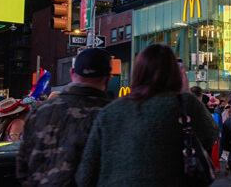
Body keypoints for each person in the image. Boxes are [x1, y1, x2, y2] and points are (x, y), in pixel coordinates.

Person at [75, 44, 219, 187]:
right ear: (175, 73)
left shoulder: (109, 112)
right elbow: (211, 135)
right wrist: (186, 91)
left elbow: (85, 176)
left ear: (138, 72)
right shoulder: (184, 103)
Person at [16, 47, 113, 186]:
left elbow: (21, 167)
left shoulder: (40, 111)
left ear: (72, 73)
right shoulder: (112, 114)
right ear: (108, 78)